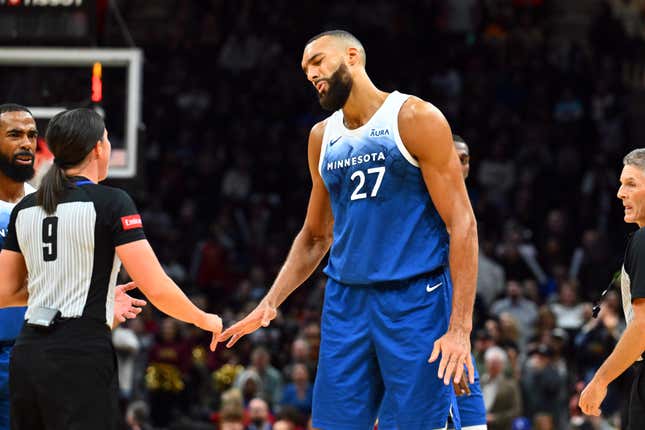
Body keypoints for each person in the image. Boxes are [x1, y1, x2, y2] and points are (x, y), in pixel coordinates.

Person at [219, 30, 478, 430]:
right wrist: (270, 302)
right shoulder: (322, 137)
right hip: (345, 302)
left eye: (318, 61)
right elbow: (316, 235)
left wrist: (460, 329)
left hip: (415, 299)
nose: (310, 73)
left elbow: (462, 224)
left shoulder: (414, 118)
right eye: (306, 69)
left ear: (352, 56)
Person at [0, 108, 222, 430]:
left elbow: (5, 293)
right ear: (98, 149)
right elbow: (156, 287)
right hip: (79, 354)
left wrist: (90, 289)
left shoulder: (26, 207)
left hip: (28, 353)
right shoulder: (112, 202)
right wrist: (204, 319)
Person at [0, 104, 146, 430]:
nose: (25, 143)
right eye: (15, 135)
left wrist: (91, 294)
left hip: (28, 352)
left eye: (31, 135)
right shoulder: (46, 205)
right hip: (53, 352)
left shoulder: (34, 204)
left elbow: (14, 290)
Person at [378, 134, 487, 430]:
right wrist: (450, 337)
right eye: (455, 158)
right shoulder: (420, 208)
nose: (461, 166)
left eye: (465, 160)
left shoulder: (463, 209)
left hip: (456, 340)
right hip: (429, 340)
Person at [579, 148, 645, 428]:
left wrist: (600, 380)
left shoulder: (643, 240)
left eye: (631, 184)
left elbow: (643, 327)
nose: (620, 192)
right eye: (621, 183)